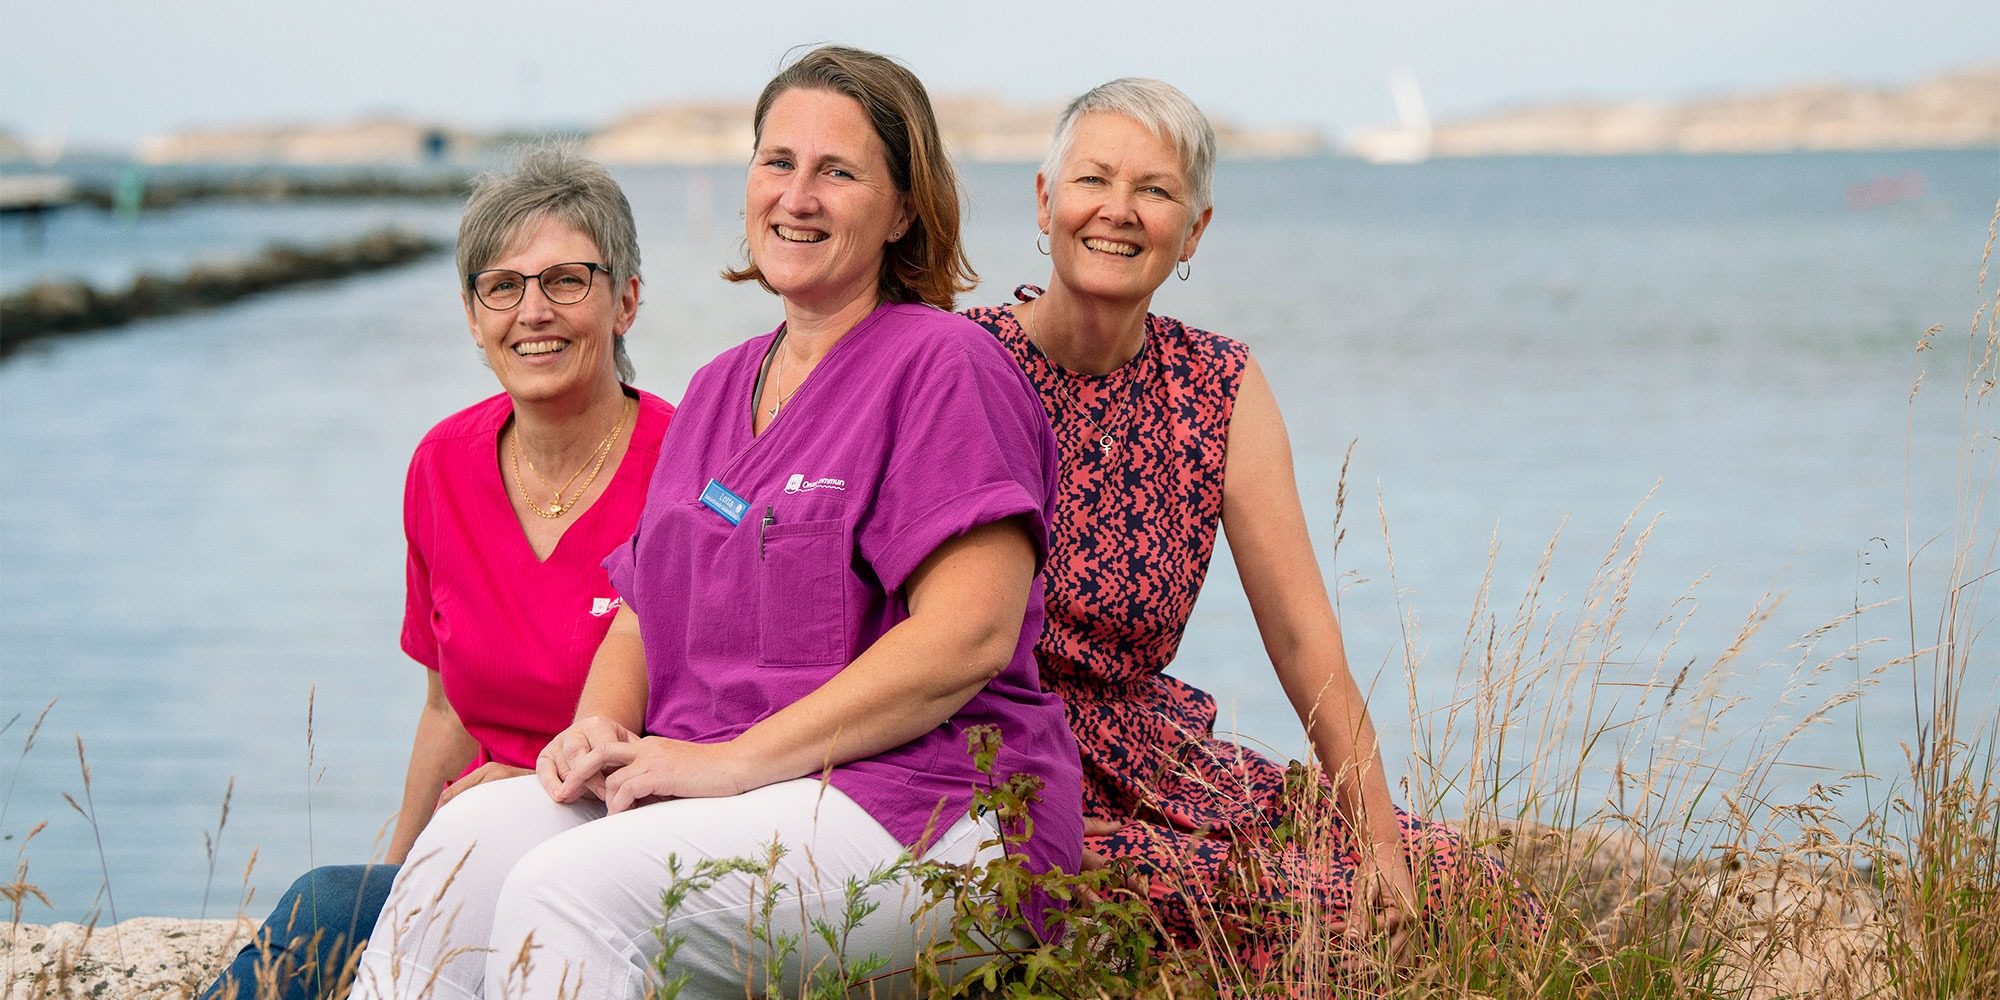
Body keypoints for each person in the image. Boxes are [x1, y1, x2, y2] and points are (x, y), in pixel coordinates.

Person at [348, 46, 1083, 999]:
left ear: (904, 209)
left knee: (572, 892)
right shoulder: (716, 390)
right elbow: (645, 610)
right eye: (778, 163)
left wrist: (729, 765)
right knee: (466, 846)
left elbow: (968, 636)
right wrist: (597, 733)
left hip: (927, 812)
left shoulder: (946, 366)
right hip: (729, 796)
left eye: (838, 171)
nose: (798, 196)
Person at [961, 78, 1544, 976]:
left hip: (1154, 754)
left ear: (1193, 232)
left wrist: (1383, 845)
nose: (1119, 211)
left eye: (1156, 191)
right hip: (1003, 770)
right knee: (1314, 909)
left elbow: (1305, 637)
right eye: (1094, 181)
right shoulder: (963, 361)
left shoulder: (1218, 384)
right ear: (1045, 201)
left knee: (1465, 882)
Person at [201, 146, 674, 1000]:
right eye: (502, 286)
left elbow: (724, 710)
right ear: (471, 314)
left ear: (626, 300)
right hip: (475, 847)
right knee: (334, 906)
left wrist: (532, 790)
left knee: (326, 902)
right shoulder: (442, 465)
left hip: (618, 853)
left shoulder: (686, 466)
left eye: (567, 280)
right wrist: (400, 881)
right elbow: (447, 709)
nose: (533, 311)